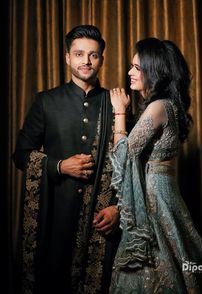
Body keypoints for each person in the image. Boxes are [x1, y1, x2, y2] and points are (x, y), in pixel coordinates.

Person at [109, 38, 202, 293]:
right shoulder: (167, 105)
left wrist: (119, 112)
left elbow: (122, 158)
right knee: (182, 261)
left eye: (136, 67)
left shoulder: (158, 107)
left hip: (154, 199)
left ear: (154, 71)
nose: (129, 72)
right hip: (162, 192)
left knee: (164, 267)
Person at [13, 25, 120, 294]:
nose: (86, 61)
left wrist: (119, 209)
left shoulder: (116, 104)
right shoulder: (46, 101)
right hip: (54, 216)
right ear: (67, 57)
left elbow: (130, 165)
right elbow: (21, 154)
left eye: (93, 55)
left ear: (102, 60)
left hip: (100, 219)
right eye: (79, 54)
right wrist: (59, 166)